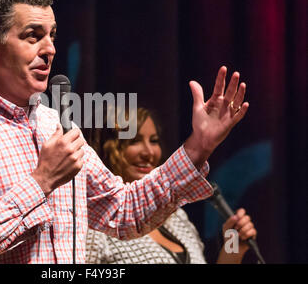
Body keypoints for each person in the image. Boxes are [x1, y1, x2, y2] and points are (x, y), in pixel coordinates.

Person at [0, 0, 249, 263]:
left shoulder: (52, 123)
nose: (50, 48)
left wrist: (196, 149)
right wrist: (40, 182)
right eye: (33, 35)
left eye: (52, 35)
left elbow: (124, 211)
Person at [85, 107, 257, 264]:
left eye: (153, 141)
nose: (149, 152)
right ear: (107, 148)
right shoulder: (98, 224)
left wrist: (233, 244)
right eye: (134, 141)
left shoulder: (176, 217)